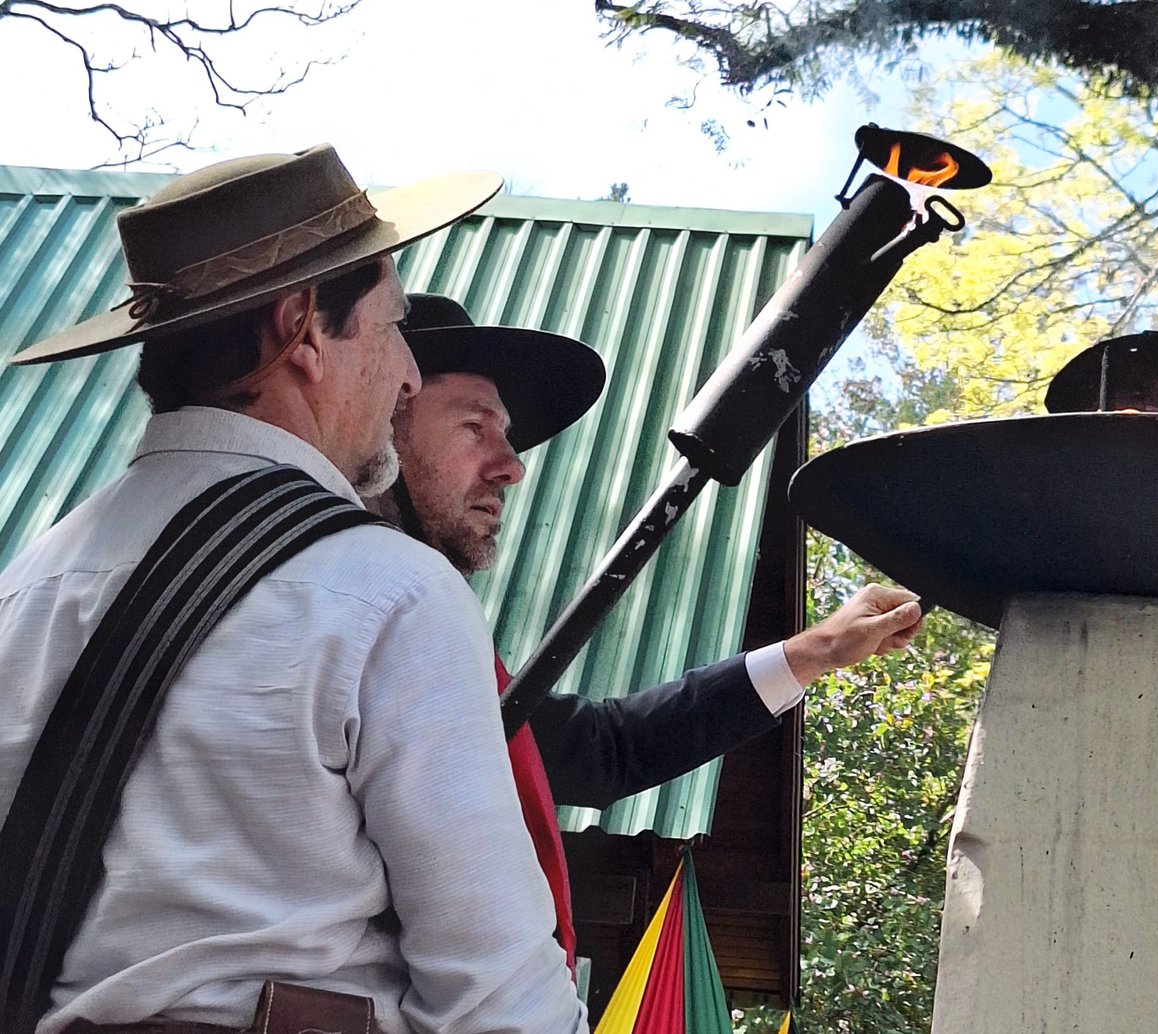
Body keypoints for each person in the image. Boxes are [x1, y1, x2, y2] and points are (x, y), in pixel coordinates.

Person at [0, 147, 588, 1033]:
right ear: (303, 328)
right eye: (391, 329)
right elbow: (499, 998)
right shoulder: (391, 593)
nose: (406, 377)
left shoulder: (25, 587)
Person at [375, 294, 926, 967]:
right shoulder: (328, 602)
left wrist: (815, 652)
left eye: (507, 434)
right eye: (474, 427)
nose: (511, 465)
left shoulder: (429, 634)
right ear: (381, 417)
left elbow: (603, 751)